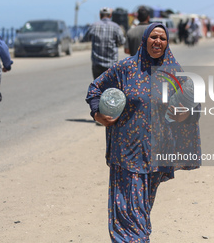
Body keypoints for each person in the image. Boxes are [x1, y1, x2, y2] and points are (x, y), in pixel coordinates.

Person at [86, 23, 201, 242]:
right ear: (145, 39)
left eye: (163, 38)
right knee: (130, 213)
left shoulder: (174, 72)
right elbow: (95, 88)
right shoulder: (125, 68)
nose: (158, 41)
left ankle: (139, 236)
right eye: (154, 37)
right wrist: (97, 114)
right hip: (126, 153)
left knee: (142, 208)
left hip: (157, 154)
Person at [83, 7, 125, 80]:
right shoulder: (115, 27)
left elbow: (85, 38)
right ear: (110, 15)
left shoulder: (93, 26)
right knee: (110, 88)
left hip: (97, 64)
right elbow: (122, 41)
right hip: (111, 64)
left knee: (98, 87)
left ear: (100, 15)